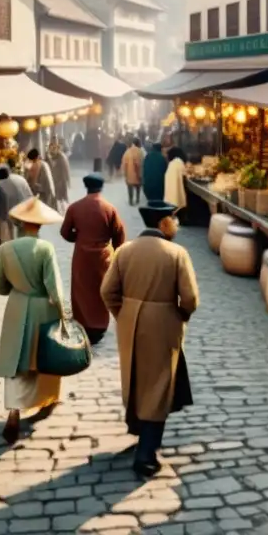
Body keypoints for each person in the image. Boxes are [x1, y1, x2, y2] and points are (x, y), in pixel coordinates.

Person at [101, 200, 199, 478]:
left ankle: (138, 429)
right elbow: (190, 298)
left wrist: (124, 315)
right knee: (159, 384)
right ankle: (146, 453)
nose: (177, 225)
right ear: (164, 223)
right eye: (174, 220)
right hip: (163, 322)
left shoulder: (124, 251)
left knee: (136, 377)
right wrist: (179, 314)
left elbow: (107, 291)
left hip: (130, 322)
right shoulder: (177, 253)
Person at [0, 196, 67, 444]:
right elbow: (54, 286)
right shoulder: (45, 249)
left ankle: (14, 411)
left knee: (16, 359)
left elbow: (0, 287)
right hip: (41, 308)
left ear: (20, 223)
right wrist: (63, 311)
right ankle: (47, 400)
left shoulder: (5, 249)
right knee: (42, 357)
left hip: (16, 308)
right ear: (40, 225)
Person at [60, 173, 127, 345]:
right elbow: (119, 234)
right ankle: (100, 326)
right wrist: (113, 248)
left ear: (86, 186)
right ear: (101, 187)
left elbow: (65, 233)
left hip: (82, 255)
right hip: (103, 256)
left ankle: (83, 325)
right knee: (101, 289)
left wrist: (80, 238)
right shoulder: (109, 209)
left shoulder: (75, 208)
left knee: (82, 289)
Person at [0, 164, 33, 244]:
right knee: (24, 234)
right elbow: (30, 194)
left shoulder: (0, 184)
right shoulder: (19, 178)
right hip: (27, 206)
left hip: (15, 210)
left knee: (11, 231)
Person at [48, 139, 72, 211]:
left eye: (54, 148)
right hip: (54, 180)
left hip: (60, 181)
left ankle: (63, 210)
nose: (52, 150)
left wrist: (67, 181)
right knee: (55, 196)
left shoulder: (62, 157)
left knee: (61, 197)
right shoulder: (50, 157)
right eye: (51, 148)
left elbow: (66, 170)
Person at [121, 138, 145, 205]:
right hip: (138, 174)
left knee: (130, 188)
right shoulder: (140, 152)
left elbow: (124, 164)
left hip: (129, 175)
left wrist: (125, 174)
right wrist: (140, 174)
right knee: (138, 188)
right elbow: (141, 164)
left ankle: (130, 200)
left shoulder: (127, 151)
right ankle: (137, 199)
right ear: (138, 144)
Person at [163, 147, 187, 211]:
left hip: (168, 197)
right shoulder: (179, 162)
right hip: (175, 196)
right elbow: (185, 174)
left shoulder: (172, 163)